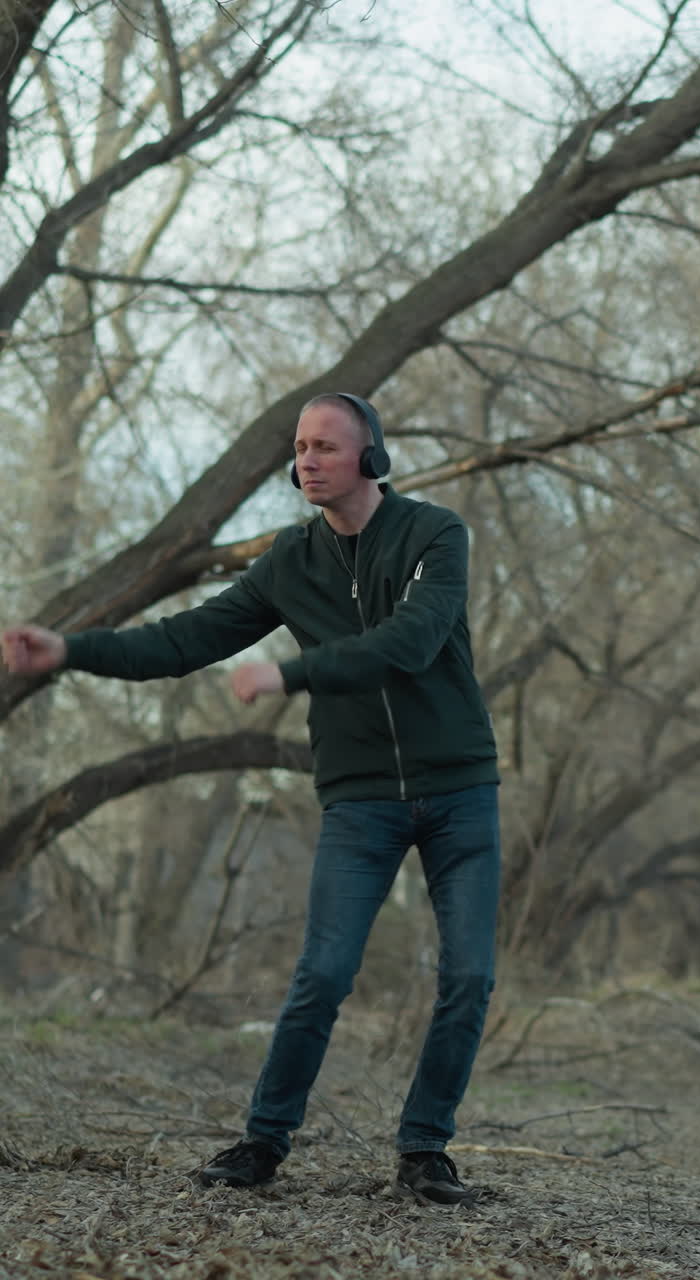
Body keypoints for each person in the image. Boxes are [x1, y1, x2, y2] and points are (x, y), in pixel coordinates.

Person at [1, 392, 501, 1207]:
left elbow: (411, 642)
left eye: (327, 447)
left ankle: (424, 1151)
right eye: (300, 447)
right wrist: (69, 651)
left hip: (459, 790)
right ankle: (263, 1143)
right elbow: (182, 641)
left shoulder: (434, 535)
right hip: (362, 798)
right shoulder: (288, 562)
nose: (307, 460)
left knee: (470, 976)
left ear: (371, 457)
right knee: (323, 975)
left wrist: (289, 673)